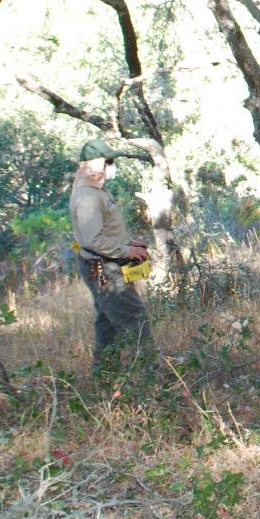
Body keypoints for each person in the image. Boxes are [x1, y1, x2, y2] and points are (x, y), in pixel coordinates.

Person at [70, 138, 153, 369]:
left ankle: (104, 376)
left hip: (105, 263)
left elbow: (105, 229)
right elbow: (93, 240)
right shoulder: (87, 196)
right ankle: (152, 378)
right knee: (136, 320)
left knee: (106, 324)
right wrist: (126, 250)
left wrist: (130, 243)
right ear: (96, 164)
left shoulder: (97, 189)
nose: (112, 165)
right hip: (104, 268)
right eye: (109, 161)